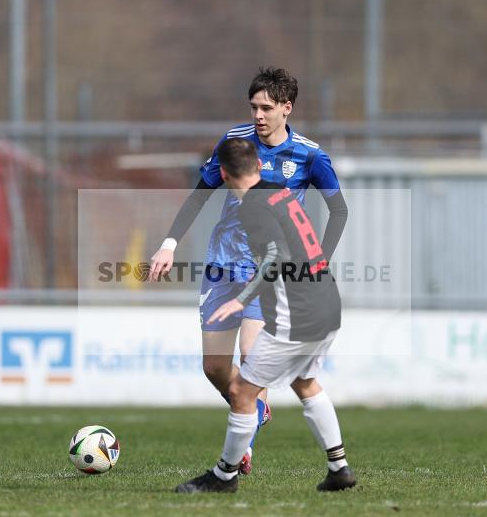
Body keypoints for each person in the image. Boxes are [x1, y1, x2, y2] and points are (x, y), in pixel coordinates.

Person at [149, 67, 348, 475]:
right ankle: (254, 409)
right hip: (223, 265)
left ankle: (241, 452)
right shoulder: (234, 143)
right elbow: (200, 196)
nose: (258, 115)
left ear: (287, 108)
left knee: (250, 358)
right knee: (214, 368)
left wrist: (319, 260)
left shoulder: (310, 156)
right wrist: (168, 244)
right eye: (254, 107)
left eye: (267, 108)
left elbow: (339, 210)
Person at [175, 138, 355, 494]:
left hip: (298, 313)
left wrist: (241, 299)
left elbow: (272, 257)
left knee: (242, 390)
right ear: (260, 165)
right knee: (305, 382)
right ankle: (339, 469)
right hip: (326, 303)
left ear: (223, 174)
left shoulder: (252, 209)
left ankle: (223, 477)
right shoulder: (281, 192)